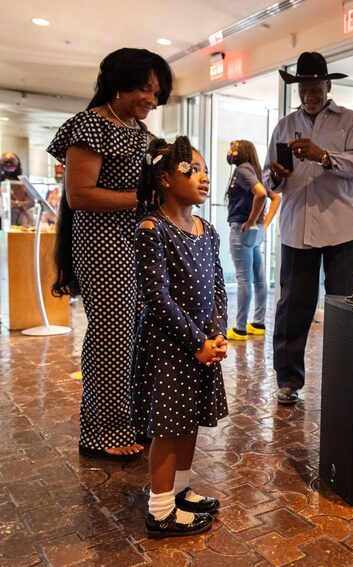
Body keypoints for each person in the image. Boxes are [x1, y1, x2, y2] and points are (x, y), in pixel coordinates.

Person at [47, 48, 173, 460]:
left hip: (137, 245)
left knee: (136, 335)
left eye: (157, 94)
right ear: (119, 84)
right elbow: (79, 195)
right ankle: (102, 431)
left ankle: (131, 419)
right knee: (112, 336)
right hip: (103, 245)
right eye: (145, 89)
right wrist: (140, 200)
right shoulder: (90, 125)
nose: (152, 100)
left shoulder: (142, 134)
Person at [264, 51, 353, 405]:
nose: (309, 94)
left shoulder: (351, 121)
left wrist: (322, 156)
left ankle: (348, 380)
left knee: (345, 308)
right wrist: (276, 176)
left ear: (328, 85)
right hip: (297, 229)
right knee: (292, 308)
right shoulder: (283, 125)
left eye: (315, 87)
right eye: (303, 88)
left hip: (342, 229)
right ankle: (288, 380)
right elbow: (269, 178)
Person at [133, 136, 228, 538]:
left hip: (201, 347)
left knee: (187, 421)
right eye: (194, 169)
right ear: (167, 178)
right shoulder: (152, 228)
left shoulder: (207, 229)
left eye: (206, 170)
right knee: (168, 428)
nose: (205, 177)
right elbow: (156, 296)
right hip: (170, 347)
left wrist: (218, 334)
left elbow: (220, 286)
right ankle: (159, 511)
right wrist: (197, 341)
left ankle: (180, 490)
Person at [224, 140, 281, 341]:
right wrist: (262, 223)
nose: (229, 151)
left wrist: (251, 220)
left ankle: (239, 328)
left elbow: (262, 194)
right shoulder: (254, 170)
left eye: (234, 147)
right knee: (258, 278)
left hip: (242, 229)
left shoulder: (243, 170)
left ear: (243, 152)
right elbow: (276, 198)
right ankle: (258, 323)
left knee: (244, 279)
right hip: (254, 232)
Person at [0, 152, 34, 226]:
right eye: (6, 163)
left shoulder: (22, 183)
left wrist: (16, 204)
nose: (8, 165)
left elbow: (32, 202)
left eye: (11, 163)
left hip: (20, 219)